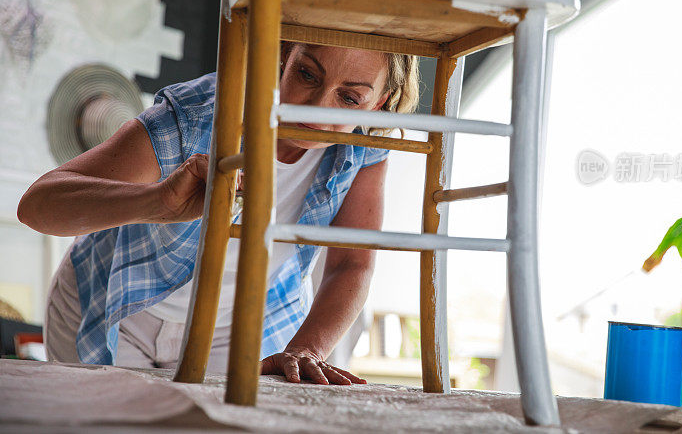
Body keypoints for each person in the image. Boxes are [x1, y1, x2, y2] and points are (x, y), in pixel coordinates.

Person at [18, 43, 419, 385]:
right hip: (111, 301)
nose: (319, 108)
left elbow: (352, 264)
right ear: (282, 56)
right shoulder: (198, 114)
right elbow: (38, 205)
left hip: (236, 323)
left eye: (349, 98)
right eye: (307, 75)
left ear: (378, 103)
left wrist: (306, 348)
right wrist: (159, 201)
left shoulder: (366, 145)